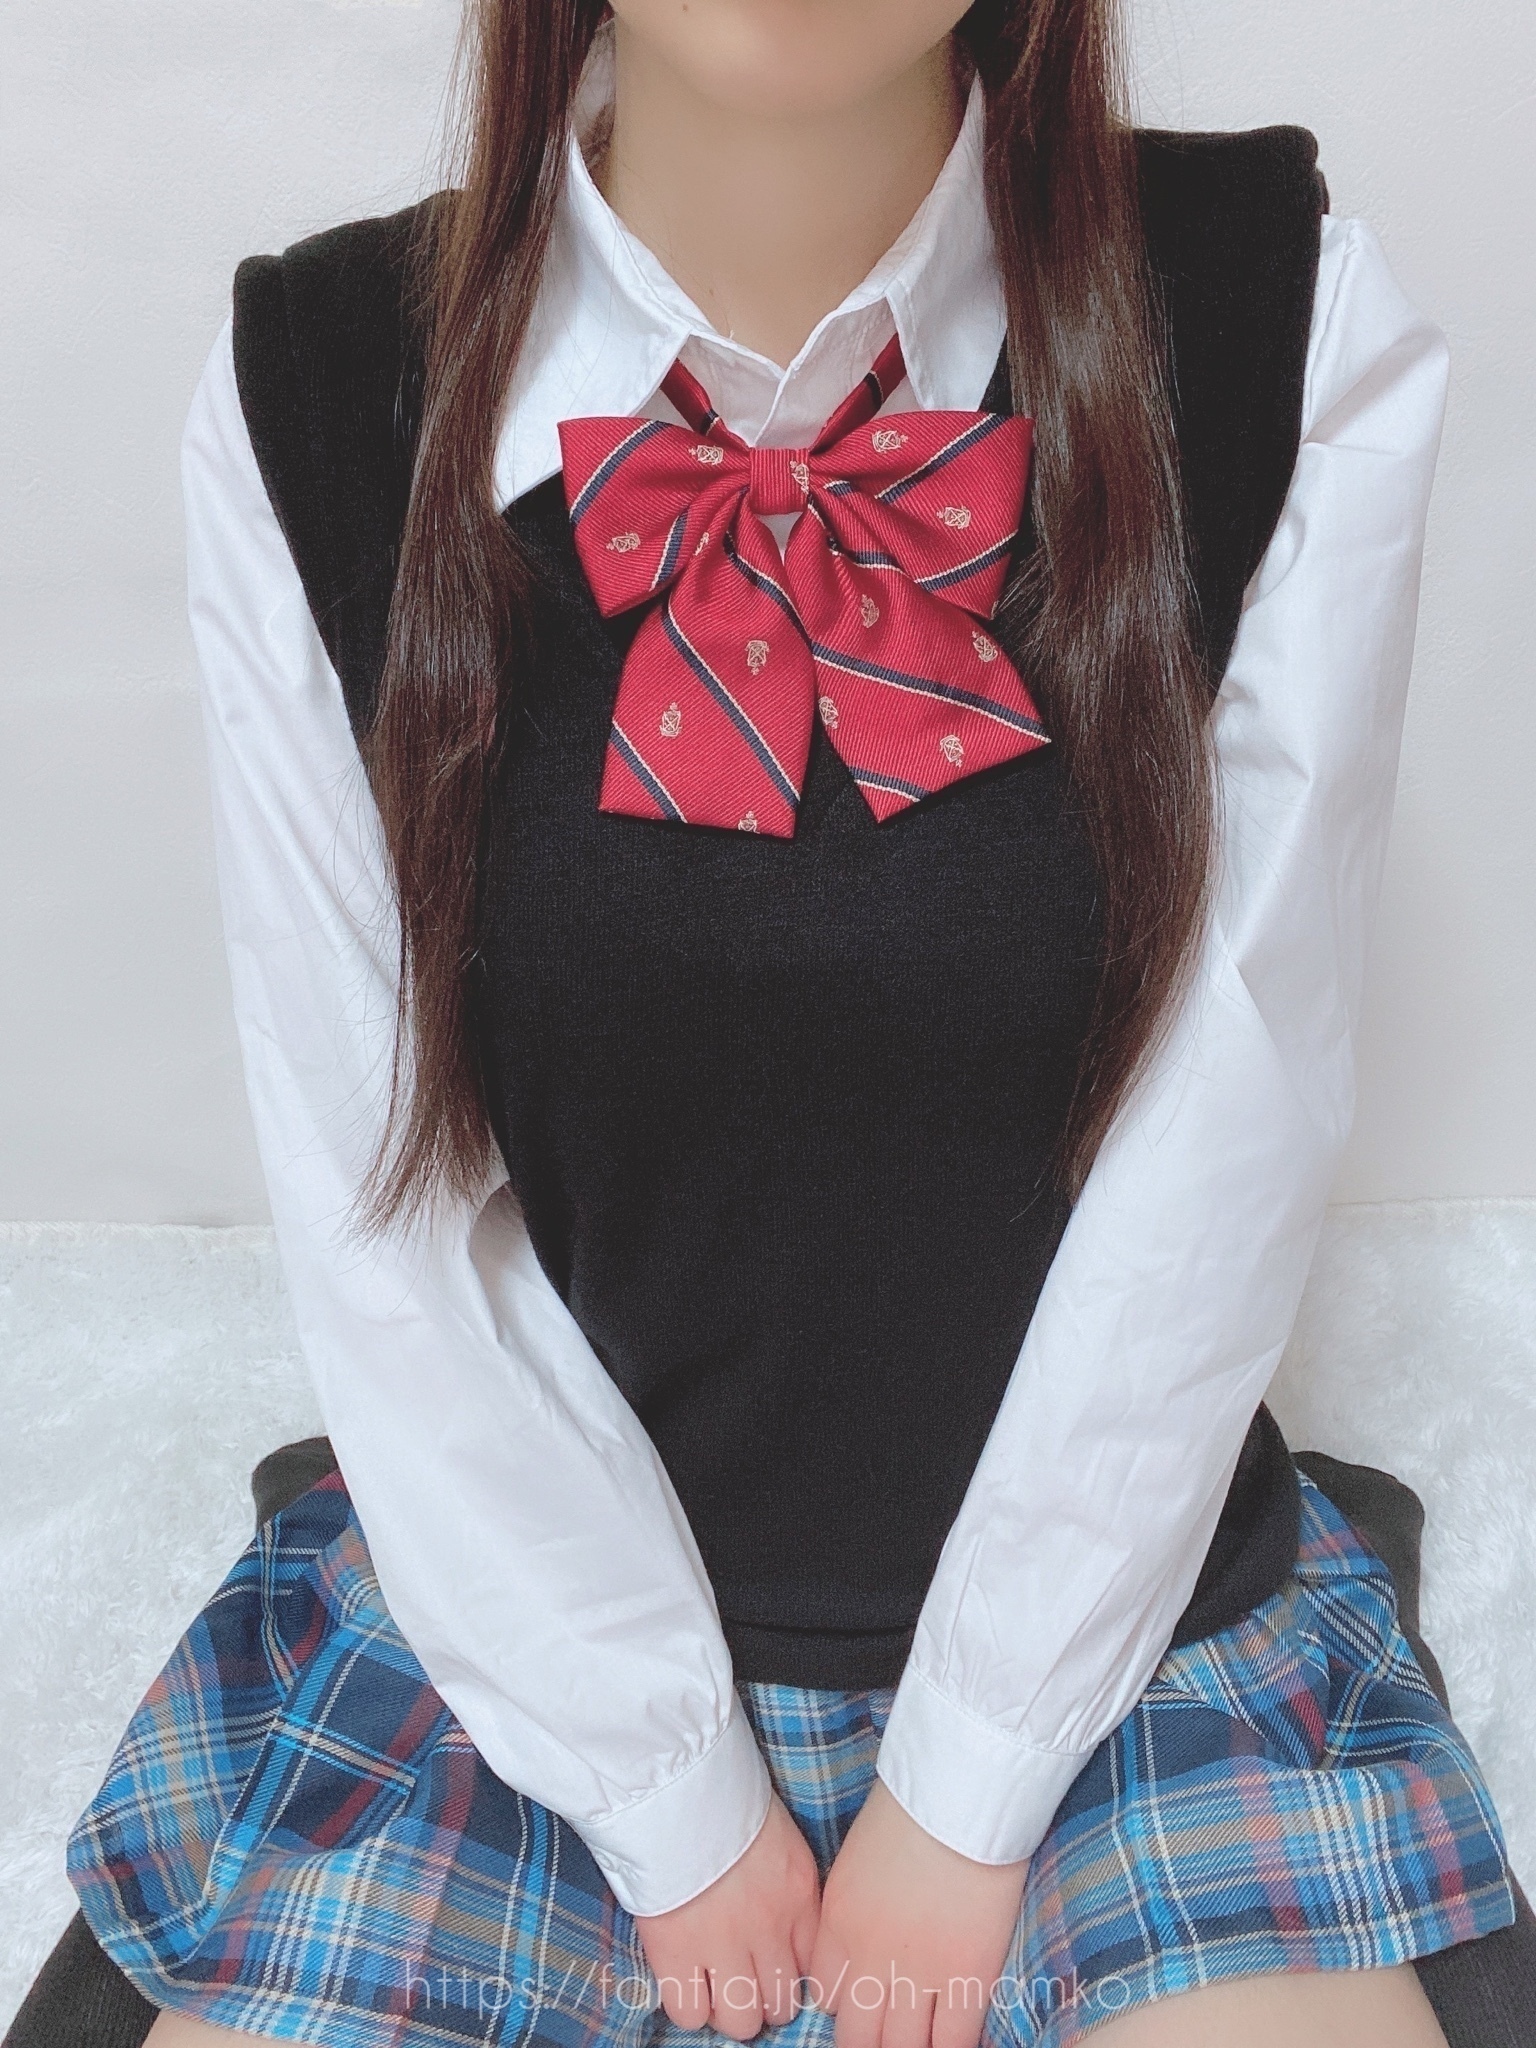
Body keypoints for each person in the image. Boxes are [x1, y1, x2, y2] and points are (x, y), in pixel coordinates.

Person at [53, 2, 1519, 2045]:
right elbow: (376, 1193)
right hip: (527, 1629)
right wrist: (666, 1791)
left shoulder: (1282, 315)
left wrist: (970, 1779)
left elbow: (1236, 1115)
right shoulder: (316, 388)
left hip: (1117, 1617)